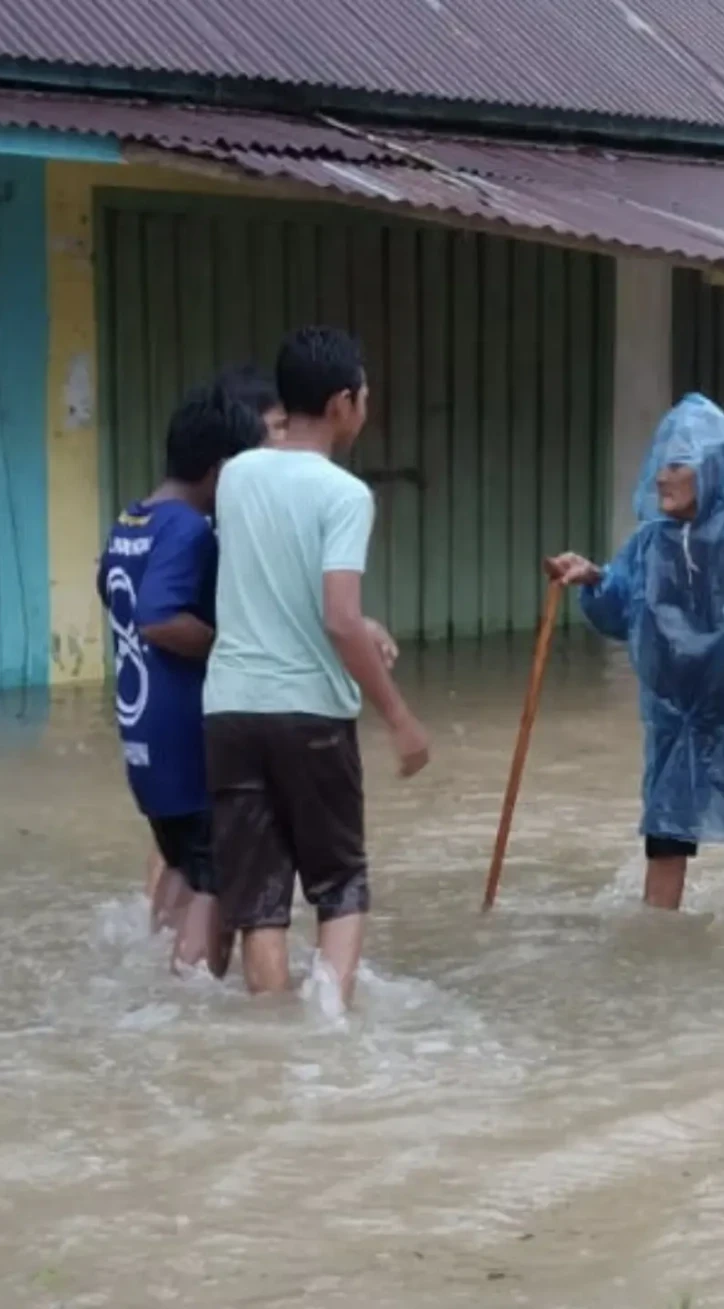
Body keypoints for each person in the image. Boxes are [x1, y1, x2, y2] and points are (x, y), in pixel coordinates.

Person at [202, 325, 431, 1012]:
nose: (366, 405)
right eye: (364, 394)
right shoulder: (345, 495)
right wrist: (399, 717)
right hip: (309, 713)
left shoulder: (236, 474)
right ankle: (328, 1037)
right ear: (341, 404)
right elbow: (337, 616)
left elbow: (272, 583)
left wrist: (359, 627)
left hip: (229, 711)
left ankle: (273, 1043)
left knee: (261, 901)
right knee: (340, 886)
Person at [545, 394, 724, 911]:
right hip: (678, 719)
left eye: (677, 464)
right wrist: (593, 579)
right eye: (660, 463)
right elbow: (621, 615)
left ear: (713, 466)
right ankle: (657, 951)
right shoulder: (651, 542)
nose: (661, 476)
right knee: (666, 838)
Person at [98, 382, 264, 974]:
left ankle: (155, 966)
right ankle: (189, 996)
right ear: (220, 470)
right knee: (218, 878)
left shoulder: (131, 520)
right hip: (186, 743)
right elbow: (159, 617)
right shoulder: (189, 529)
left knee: (183, 867)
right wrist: (232, 647)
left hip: (143, 741)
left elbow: (113, 593)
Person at [141, 362, 291, 911]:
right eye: (276, 427)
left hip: (163, 725)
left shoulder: (156, 518)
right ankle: (191, 954)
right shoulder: (199, 524)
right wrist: (230, 648)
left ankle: (162, 941)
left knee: (188, 855)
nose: (284, 440)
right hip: (203, 718)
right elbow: (158, 616)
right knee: (215, 864)